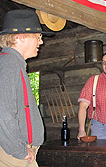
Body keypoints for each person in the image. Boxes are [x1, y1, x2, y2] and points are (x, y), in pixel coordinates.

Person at [0, 9, 53, 166]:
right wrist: (18, 150)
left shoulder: (14, 64)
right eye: (38, 37)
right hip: (14, 155)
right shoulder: (9, 65)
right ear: (20, 37)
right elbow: (3, 113)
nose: (41, 42)